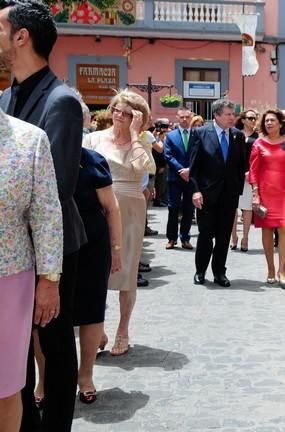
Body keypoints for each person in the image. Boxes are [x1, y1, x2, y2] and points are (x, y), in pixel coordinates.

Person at [0, 1, 85, 429]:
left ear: (21, 36)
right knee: (13, 354)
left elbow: (60, 186)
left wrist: (46, 275)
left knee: (52, 344)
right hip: (12, 252)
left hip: (52, 249)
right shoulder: (6, 95)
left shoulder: (62, 100)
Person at [0, 109, 62, 432]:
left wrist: (49, 279)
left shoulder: (29, 139)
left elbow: (47, 213)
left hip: (9, 281)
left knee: (6, 387)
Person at [83, 90, 151, 357]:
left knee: (126, 273)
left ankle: (123, 329)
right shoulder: (93, 139)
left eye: (128, 113)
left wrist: (134, 135)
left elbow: (143, 168)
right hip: (97, 205)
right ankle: (95, 327)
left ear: (138, 118)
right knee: (93, 271)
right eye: (116, 110)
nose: (120, 116)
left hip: (131, 206)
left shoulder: (140, 142)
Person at [72, 148, 122, 404]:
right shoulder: (40, 151)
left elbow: (111, 207)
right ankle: (44, 381)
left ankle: (85, 375)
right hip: (49, 242)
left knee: (91, 309)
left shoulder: (91, 159)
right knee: (44, 316)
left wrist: (116, 249)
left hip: (92, 241)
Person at [190, 99, 247, 287]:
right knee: (205, 235)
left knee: (223, 236)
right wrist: (196, 191)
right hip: (206, 195)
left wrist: (237, 191)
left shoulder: (238, 136)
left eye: (233, 114)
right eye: (228, 114)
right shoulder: (200, 133)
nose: (233, 118)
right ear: (216, 115)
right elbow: (194, 167)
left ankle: (219, 272)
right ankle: (200, 271)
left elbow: (241, 167)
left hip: (229, 196)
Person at [249, 109, 285, 288]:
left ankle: (283, 270)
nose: (269, 123)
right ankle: (271, 268)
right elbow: (253, 171)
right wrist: (255, 193)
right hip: (264, 193)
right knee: (267, 231)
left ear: (281, 123)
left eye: (272, 120)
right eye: (266, 121)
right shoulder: (258, 144)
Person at [164, 107, 195, 250]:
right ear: (177, 117)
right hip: (175, 178)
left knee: (189, 209)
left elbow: (199, 154)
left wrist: (190, 170)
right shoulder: (171, 136)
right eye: (182, 117)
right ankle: (171, 238)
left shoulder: (197, 134)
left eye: (187, 117)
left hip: (191, 177)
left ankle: (185, 238)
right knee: (173, 208)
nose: (184, 119)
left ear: (191, 117)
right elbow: (168, 155)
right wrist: (180, 170)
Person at [230, 109, 258, 252]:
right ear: (243, 119)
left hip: (249, 177)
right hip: (234, 175)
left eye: (255, 118)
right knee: (232, 207)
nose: (253, 120)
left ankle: (245, 237)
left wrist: (251, 172)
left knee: (247, 208)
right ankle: (233, 235)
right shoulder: (234, 133)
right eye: (250, 118)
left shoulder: (258, 137)